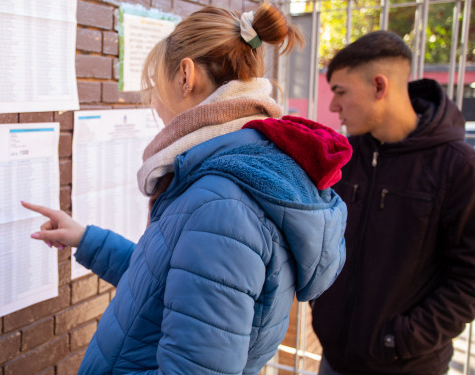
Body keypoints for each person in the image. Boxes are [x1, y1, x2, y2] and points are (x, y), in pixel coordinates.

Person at [23, 3, 352, 374]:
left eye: (155, 88)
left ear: (185, 76)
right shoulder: (241, 169)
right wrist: (86, 238)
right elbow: (168, 285)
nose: (155, 107)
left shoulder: (222, 204)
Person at [311, 30, 475, 375]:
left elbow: (469, 278)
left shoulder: (458, 167)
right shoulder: (348, 157)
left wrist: (402, 339)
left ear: (379, 87)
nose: (332, 106)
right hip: (333, 358)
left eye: (340, 92)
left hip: (406, 365)